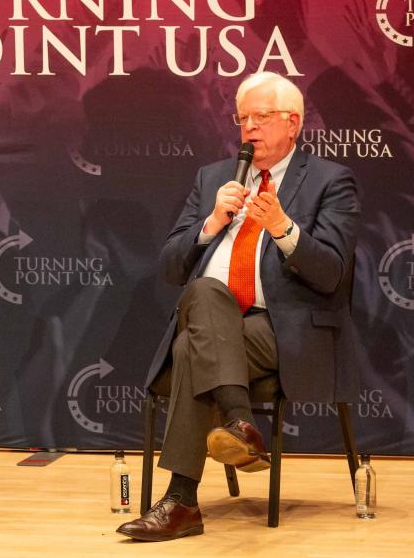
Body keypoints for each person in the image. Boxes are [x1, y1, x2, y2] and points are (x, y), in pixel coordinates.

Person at [116, 72, 360, 541]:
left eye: (261, 117)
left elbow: (330, 273)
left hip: (282, 329)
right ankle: (240, 422)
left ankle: (182, 502)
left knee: (192, 348)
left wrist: (285, 229)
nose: (249, 127)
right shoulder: (213, 177)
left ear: (293, 123)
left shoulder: (332, 181)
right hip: (218, 325)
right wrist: (210, 222)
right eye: (242, 117)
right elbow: (170, 269)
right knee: (205, 294)